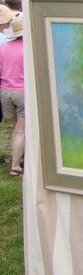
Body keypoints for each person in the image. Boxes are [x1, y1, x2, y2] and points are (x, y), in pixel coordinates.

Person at [1, 15, 25, 177]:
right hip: (22, 91)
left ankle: (18, 157)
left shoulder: (4, 47)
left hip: (5, 91)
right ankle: (16, 165)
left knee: (17, 128)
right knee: (21, 130)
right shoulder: (27, 49)